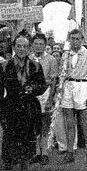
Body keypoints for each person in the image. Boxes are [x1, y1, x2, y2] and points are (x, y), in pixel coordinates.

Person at [0, 33, 48, 170]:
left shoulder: (36, 66)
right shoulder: (4, 66)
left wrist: (34, 89)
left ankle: (25, 166)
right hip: (11, 109)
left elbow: (42, 86)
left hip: (30, 109)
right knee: (10, 142)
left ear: (29, 48)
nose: (21, 49)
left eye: (25, 46)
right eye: (19, 46)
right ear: (13, 47)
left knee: (28, 143)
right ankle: (9, 165)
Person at [59, 29, 87, 166]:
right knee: (69, 123)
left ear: (82, 39)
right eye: (72, 38)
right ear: (69, 40)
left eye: (78, 39)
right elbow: (62, 74)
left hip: (82, 86)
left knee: (84, 124)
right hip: (68, 86)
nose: (75, 41)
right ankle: (70, 152)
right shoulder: (65, 55)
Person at [29, 33, 59, 165]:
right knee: (33, 124)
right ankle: (36, 152)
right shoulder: (28, 58)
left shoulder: (51, 59)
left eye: (41, 44)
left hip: (45, 93)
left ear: (45, 45)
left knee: (45, 124)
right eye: (36, 43)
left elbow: (53, 81)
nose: (38, 46)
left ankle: (45, 153)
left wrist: (50, 99)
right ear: (32, 45)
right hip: (31, 94)